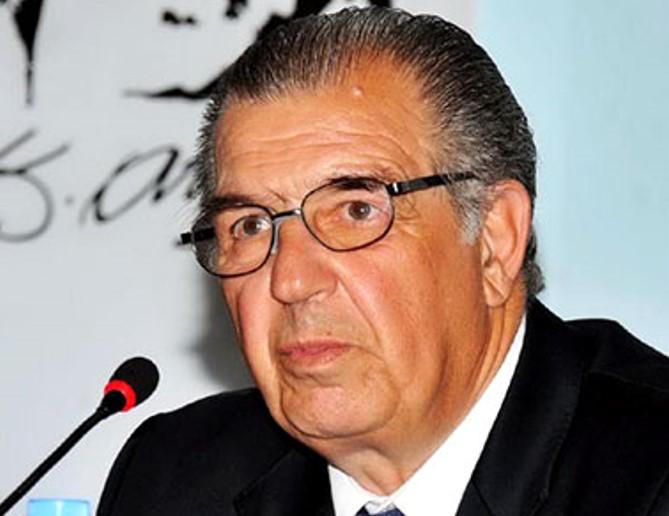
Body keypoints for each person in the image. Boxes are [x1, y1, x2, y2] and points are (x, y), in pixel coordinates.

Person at [97, 7, 669, 516]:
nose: (290, 280)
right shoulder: (172, 478)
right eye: (249, 225)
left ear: (495, 239)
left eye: (355, 210)